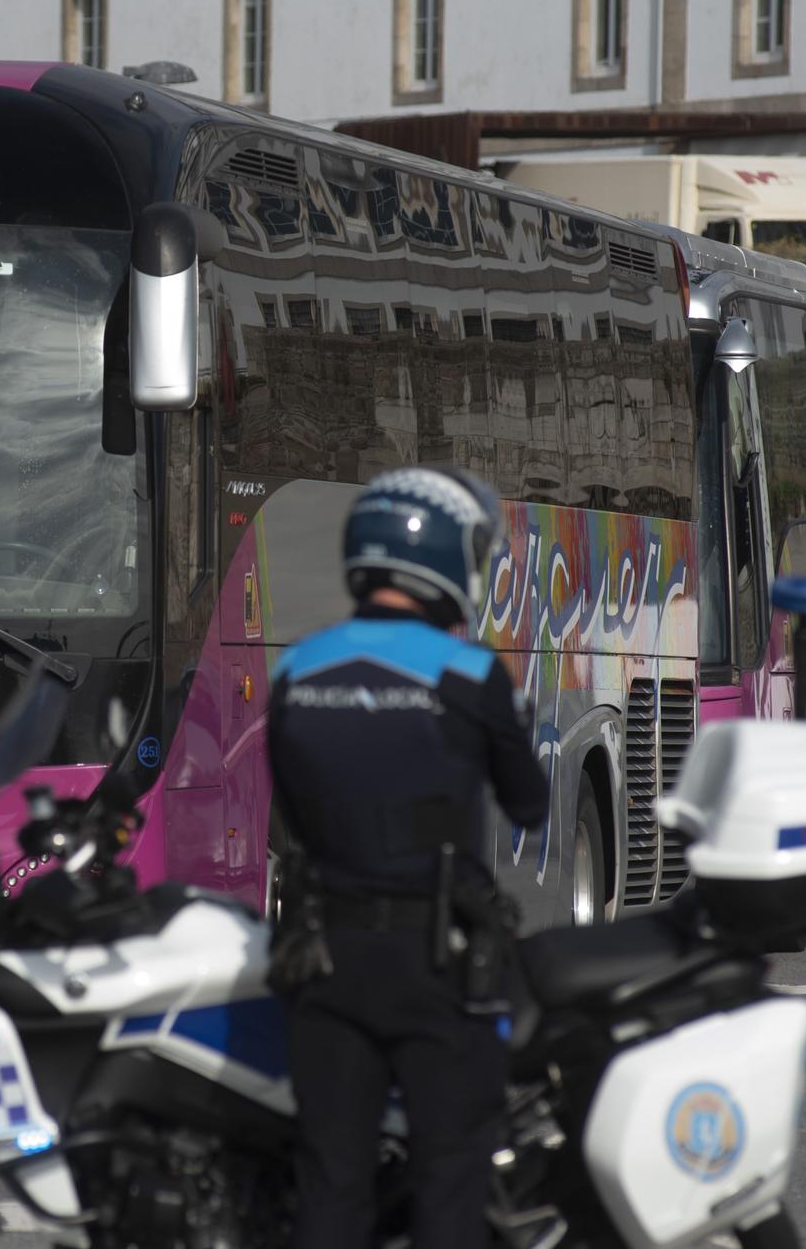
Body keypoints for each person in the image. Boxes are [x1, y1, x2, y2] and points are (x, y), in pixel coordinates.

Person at [268, 468, 547, 1249]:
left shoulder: (294, 671)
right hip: (437, 963)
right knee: (450, 1180)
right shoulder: (469, 674)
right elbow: (529, 805)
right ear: (446, 559)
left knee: (331, 1181)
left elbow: (295, 812)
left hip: (324, 961)